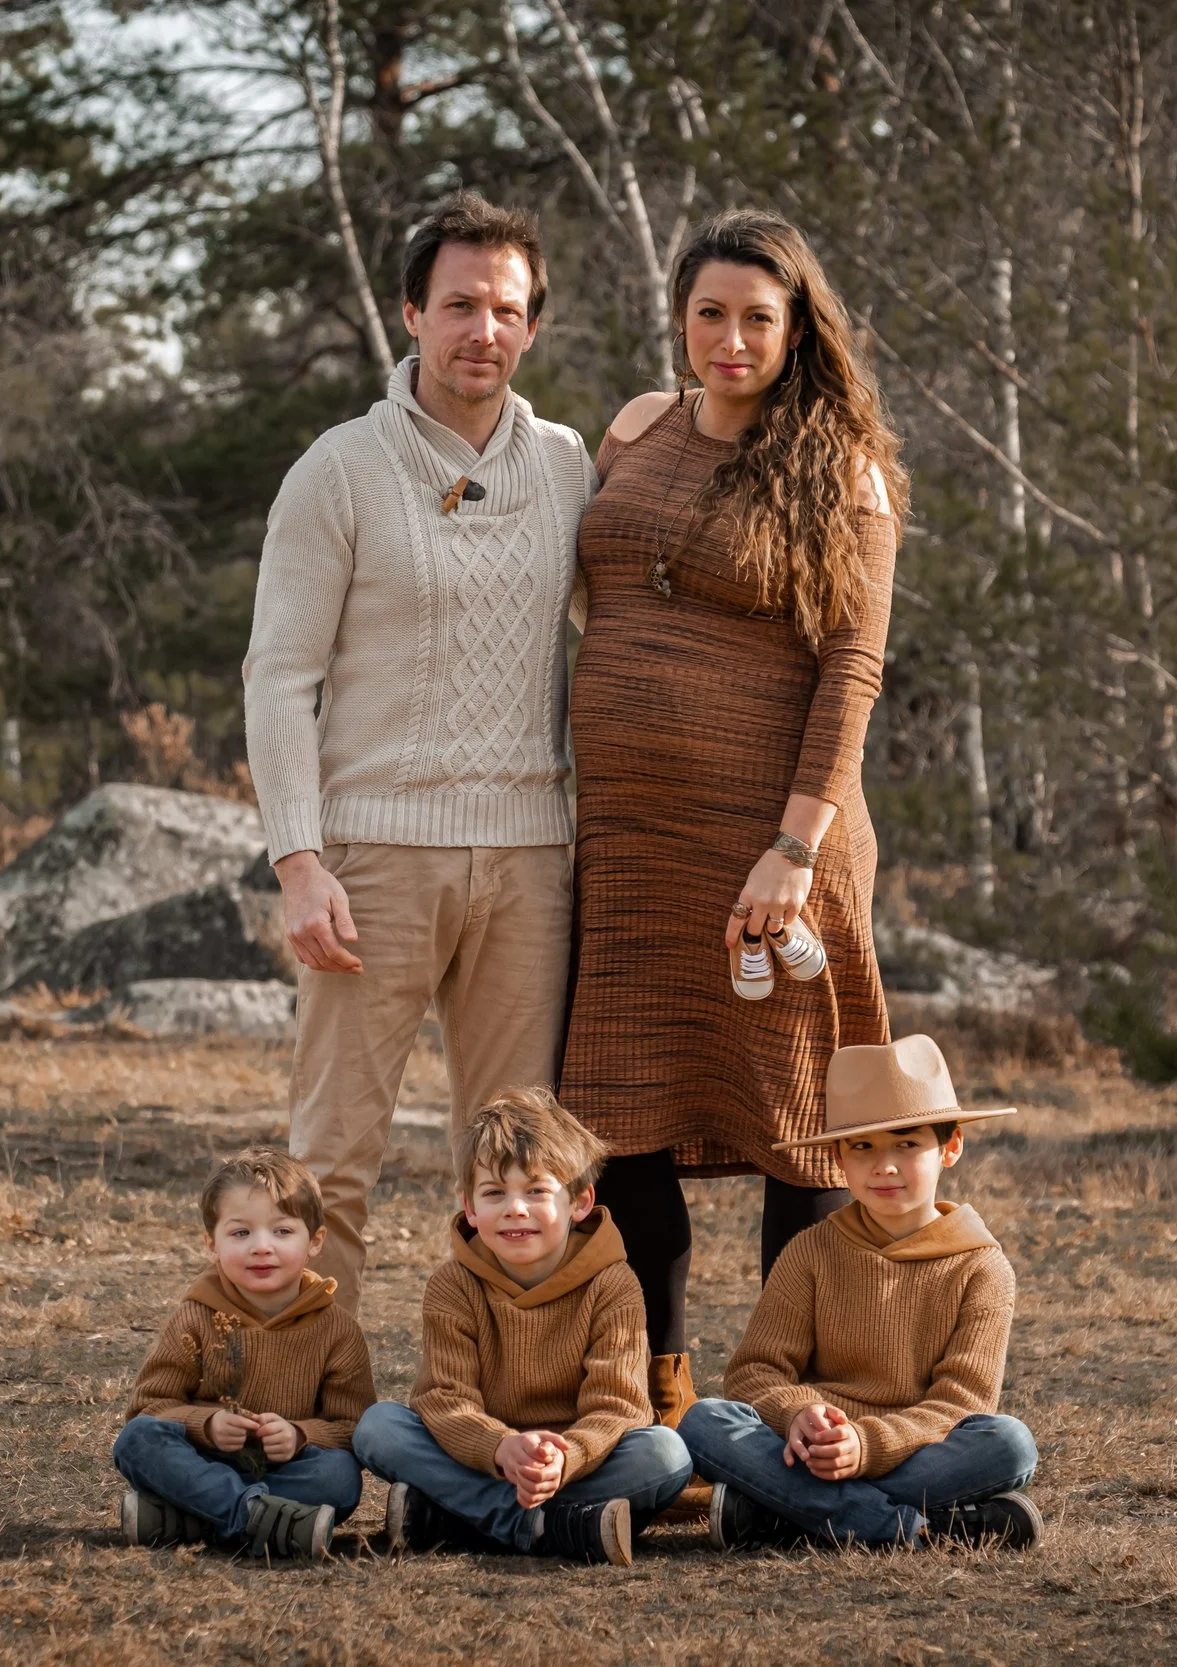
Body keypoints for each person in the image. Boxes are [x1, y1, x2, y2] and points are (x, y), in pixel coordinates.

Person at [564, 208, 907, 1419]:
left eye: (758, 317)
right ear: (680, 315)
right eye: (709, 312)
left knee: (798, 1118)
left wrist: (791, 848)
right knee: (623, 1105)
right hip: (629, 844)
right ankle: (655, 1393)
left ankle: (787, 1399)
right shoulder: (633, 428)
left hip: (770, 839)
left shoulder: (843, 469)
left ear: (797, 327)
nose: (731, 338)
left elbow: (850, 670)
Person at [242, 191, 593, 1308]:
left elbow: (624, 633)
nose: (479, 330)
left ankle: (500, 1412)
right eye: (456, 305)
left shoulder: (573, 465)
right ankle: (313, 1404)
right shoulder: (339, 469)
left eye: (504, 307)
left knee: (522, 1167)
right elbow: (278, 676)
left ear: (532, 324)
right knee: (333, 1158)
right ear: (410, 311)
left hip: (533, 857)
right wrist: (300, 860)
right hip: (373, 860)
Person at [678, 1036, 1042, 1550]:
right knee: (704, 1420)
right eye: (863, 1146)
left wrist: (866, 1447)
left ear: (952, 1146)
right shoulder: (811, 1252)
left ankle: (784, 1511)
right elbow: (753, 1372)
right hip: (812, 1445)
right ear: (838, 1157)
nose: (884, 1165)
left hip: (917, 1448)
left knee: (1008, 1444)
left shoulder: (983, 1267)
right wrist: (799, 1415)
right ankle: (910, 1528)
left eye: (907, 1143)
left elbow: (961, 1403)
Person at [352, 1090, 693, 1565]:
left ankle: (454, 1518)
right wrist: (501, 1447)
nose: (515, 1208)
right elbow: (444, 1398)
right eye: (494, 1193)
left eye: (536, 1191)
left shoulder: (614, 1284)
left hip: (578, 1462)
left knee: (665, 1455)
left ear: (579, 1201)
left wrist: (565, 1457)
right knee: (378, 1427)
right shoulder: (454, 1284)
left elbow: (619, 1407)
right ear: (470, 1208)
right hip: (486, 1459)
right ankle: (551, 1527)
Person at [112, 1149, 375, 1559]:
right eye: (240, 1233)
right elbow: (148, 1409)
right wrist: (207, 1424)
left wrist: (299, 1434)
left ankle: (193, 1519)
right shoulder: (195, 1317)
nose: (261, 1247)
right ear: (210, 1244)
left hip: (287, 1469)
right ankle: (257, 1517)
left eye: (283, 1232)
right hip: (201, 1464)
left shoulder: (337, 1330)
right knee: (137, 1442)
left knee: (339, 1479)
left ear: (316, 1241)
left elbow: (352, 1427)